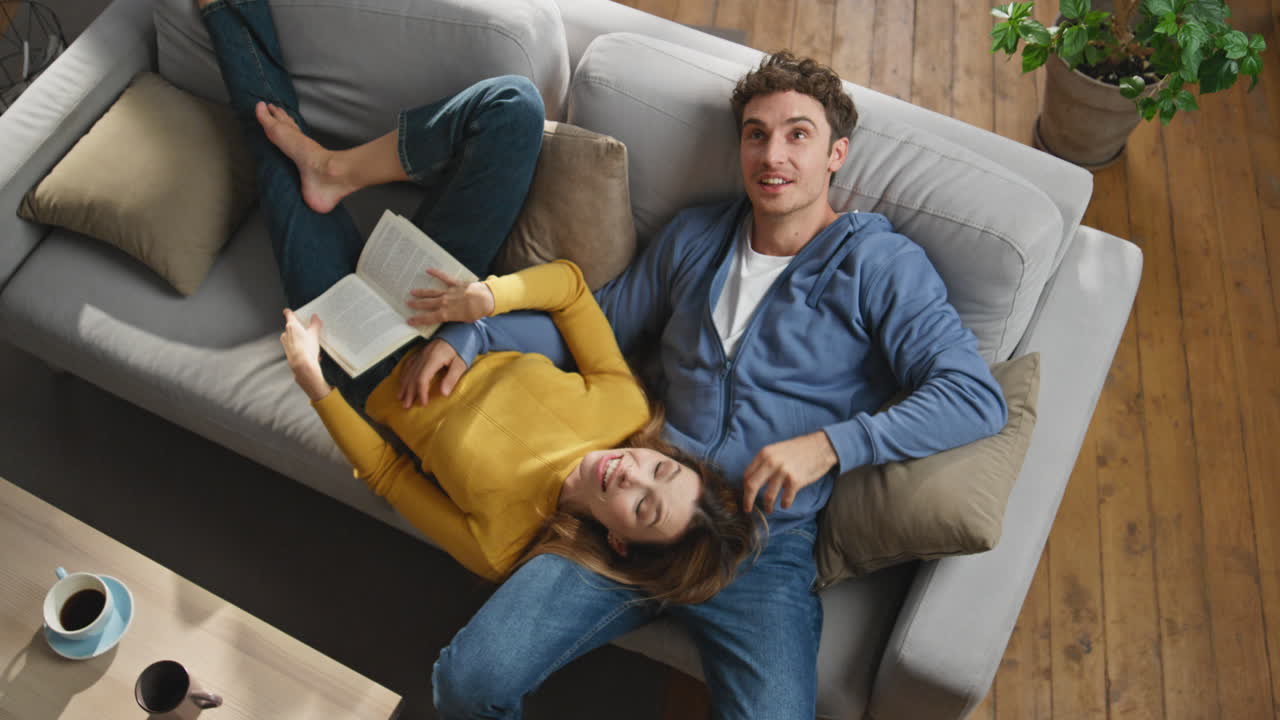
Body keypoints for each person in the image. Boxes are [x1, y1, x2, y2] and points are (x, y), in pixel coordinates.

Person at [413, 52, 1010, 718]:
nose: (773, 155)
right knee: (469, 681)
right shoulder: (695, 236)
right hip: (638, 513)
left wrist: (831, 445)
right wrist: (474, 334)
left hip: (763, 547)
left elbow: (973, 397)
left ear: (836, 154)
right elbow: (596, 328)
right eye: (757, 134)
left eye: (798, 134)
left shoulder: (878, 263)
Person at [196, 0, 757, 603]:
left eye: (643, 507)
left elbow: (388, 475)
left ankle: (226, 11)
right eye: (662, 468)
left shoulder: (502, 548)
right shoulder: (625, 408)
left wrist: (315, 383)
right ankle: (338, 169)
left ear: (620, 543)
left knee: (275, 166)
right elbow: (570, 289)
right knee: (513, 107)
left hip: (364, 361)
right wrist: (484, 300)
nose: (633, 474)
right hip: (445, 300)